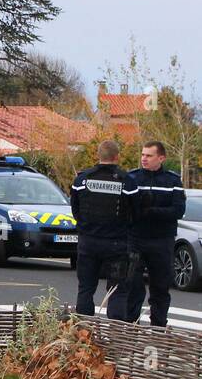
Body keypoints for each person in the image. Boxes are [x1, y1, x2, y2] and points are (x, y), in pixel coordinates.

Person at [71, 140, 139, 319]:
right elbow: (135, 212)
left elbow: (75, 210)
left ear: (98, 155)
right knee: (117, 291)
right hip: (117, 245)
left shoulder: (82, 179)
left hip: (88, 243)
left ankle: (83, 334)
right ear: (117, 157)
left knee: (85, 289)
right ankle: (115, 338)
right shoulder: (127, 182)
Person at [123, 141, 184, 327]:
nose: (144, 158)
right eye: (142, 154)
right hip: (135, 239)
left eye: (149, 155)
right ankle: (131, 325)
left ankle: (158, 327)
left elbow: (178, 210)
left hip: (161, 241)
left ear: (161, 158)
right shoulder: (132, 178)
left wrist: (152, 211)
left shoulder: (172, 181)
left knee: (160, 286)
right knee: (132, 284)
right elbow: (124, 208)